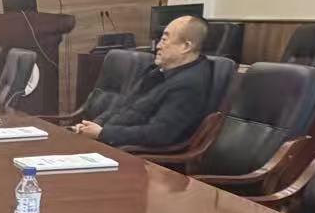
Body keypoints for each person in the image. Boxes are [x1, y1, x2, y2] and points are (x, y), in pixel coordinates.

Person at [73, 16, 215, 151]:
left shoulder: (189, 85)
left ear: (185, 46)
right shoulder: (157, 72)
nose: (158, 46)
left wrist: (103, 133)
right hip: (110, 141)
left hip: (136, 155)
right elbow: (125, 105)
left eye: (164, 40)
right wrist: (96, 124)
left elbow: (159, 133)